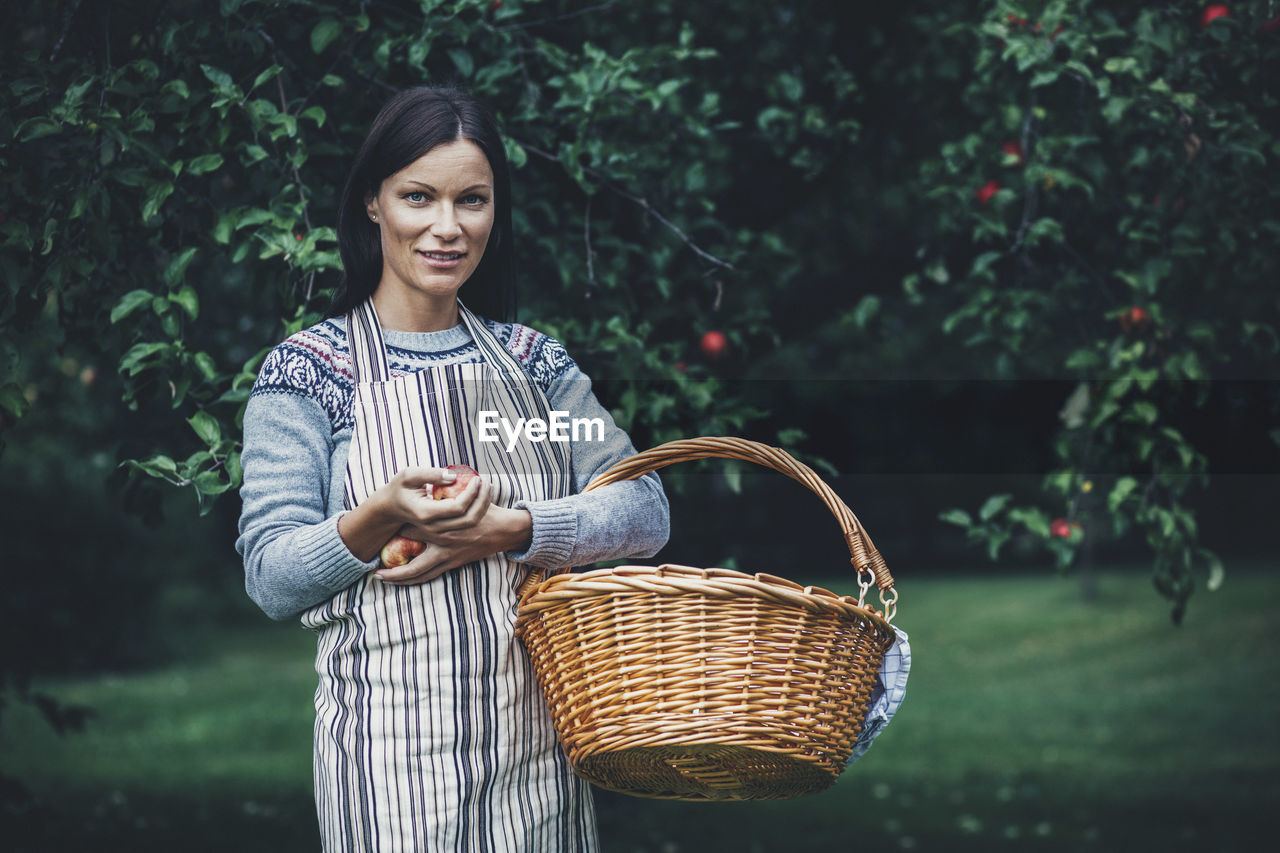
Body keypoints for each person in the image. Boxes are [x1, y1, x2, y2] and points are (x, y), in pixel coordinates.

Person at [235, 85, 669, 851]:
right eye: (418, 196)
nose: (447, 227)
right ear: (373, 203)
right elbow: (272, 576)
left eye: (472, 200)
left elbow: (644, 510)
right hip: (389, 765)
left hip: (541, 762)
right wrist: (380, 515)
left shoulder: (536, 366)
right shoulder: (311, 372)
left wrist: (513, 528)